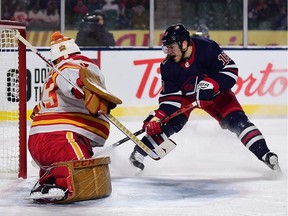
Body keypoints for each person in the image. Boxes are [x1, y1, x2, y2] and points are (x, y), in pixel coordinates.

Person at [129, 24, 281, 173]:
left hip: (216, 94)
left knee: (237, 121)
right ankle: (138, 154)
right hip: (187, 96)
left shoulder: (207, 48)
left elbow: (231, 70)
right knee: (172, 122)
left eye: (171, 47)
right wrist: (158, 116)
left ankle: (266, 155)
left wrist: (212, 84)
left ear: (183, 43)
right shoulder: (168, 66)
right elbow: (171, 98)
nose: (168, 52)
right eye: (166, 47)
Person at [27, 31, 121, 203]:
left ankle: (47, 180)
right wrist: (82, 89)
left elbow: (43, 107)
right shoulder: (75, 64)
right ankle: (62, 182)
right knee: (83, 179)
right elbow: (74, 80)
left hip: (37, 144)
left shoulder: (55, 72)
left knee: (62, 171)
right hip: (62, 139)